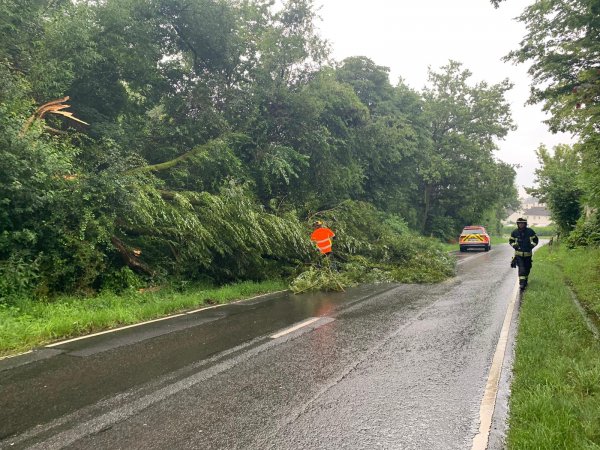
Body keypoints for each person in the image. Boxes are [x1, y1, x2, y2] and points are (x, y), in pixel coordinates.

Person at [509, 217, 539, 291]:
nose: (521, 225)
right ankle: (521, 284)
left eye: (522, 223)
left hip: (528, 255)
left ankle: (525, 280)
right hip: (518, 255)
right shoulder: (514, 232)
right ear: (517, 224)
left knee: (527, 268)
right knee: (521, 269)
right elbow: (511, 240)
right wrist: (514, 245)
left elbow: (536, 240)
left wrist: (532, 245)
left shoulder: (530, 231)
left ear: (525, 224)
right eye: (519, 223)